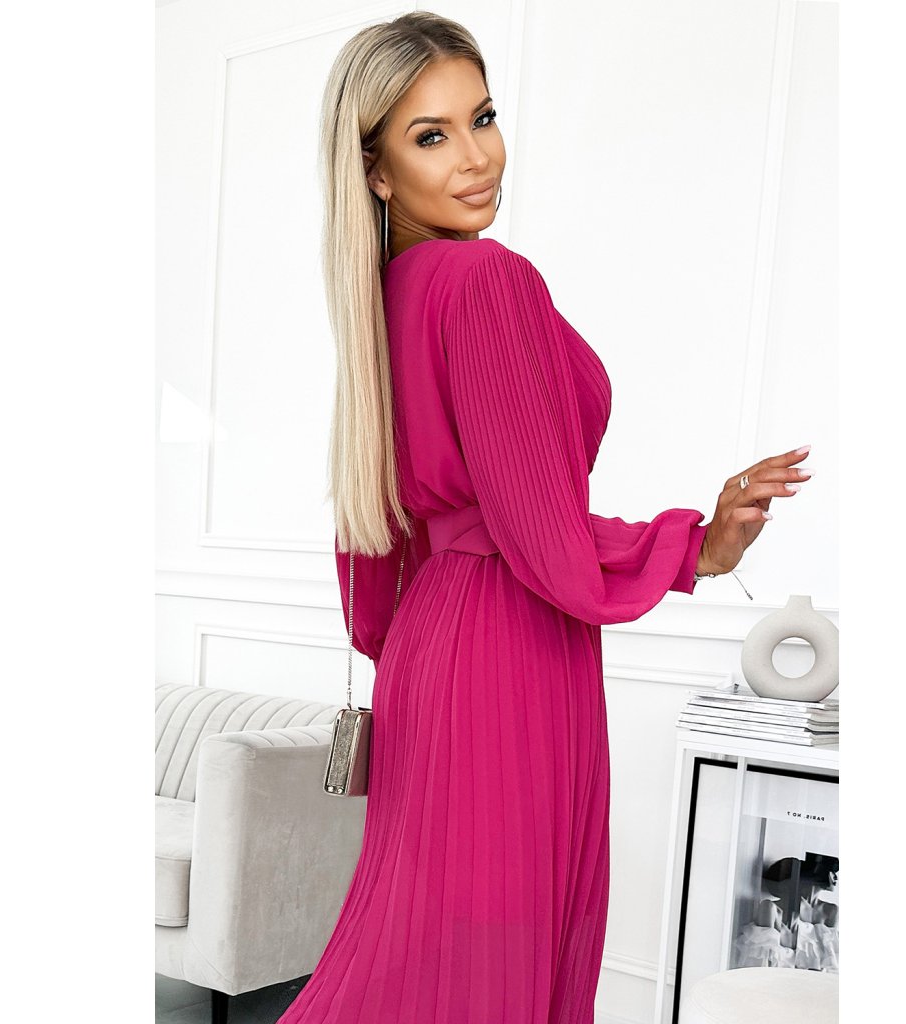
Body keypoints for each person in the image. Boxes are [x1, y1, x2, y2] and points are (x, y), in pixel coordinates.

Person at [277, 11, 813, 1023]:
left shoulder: (384, 296)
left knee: (423, 950)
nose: (476, 157)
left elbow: (377, 573)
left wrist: (429, 654)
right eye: (431, 136)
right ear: (377, 171)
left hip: (433, 652)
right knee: (493, 964)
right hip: (510, 650)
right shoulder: (485, 281)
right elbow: (545, 543)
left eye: (481, 118)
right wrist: (692, 547)